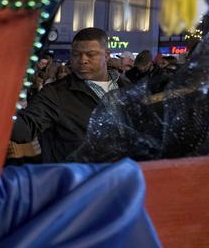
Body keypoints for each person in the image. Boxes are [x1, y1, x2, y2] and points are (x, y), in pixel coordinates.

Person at [10, 27, 130, 163]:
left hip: (127, 175)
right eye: (76, 54)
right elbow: (24, 128)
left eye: (91, 54)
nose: (82, 60)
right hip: (78, 178)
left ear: (107, 55)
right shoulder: (55, 94)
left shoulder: (127, 87)